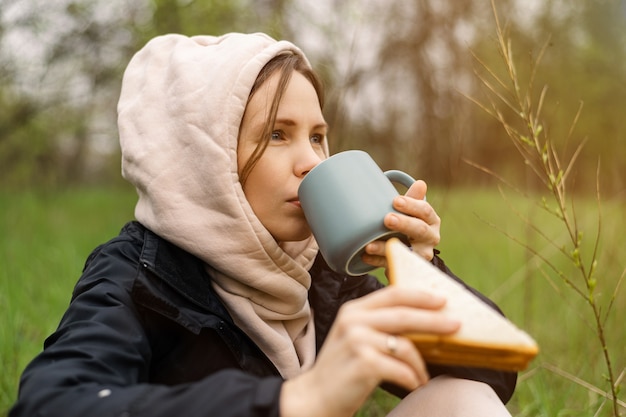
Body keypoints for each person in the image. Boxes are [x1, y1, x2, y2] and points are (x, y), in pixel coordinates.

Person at [9, 32, 517, 417]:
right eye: (277, 134)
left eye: (318, 137)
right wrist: (294, 399)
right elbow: (50, 403)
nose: (312, 161)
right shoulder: (139, 274)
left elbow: (490, 373)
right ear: (205, 158)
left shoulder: (317, 274)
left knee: (463, 400)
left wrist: (418, 268)